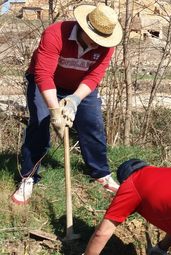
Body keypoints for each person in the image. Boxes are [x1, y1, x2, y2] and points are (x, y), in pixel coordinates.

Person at [12, 4, 122, 205]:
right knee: (40, 120)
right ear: (84, 28)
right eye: (94, 38)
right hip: (45, 81)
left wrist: (75, 100)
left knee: (93, 123)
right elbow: (43, 74)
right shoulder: (56, 34)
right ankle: (29, 176)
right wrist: (55, 112)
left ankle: (100, 172)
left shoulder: (107, 45)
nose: (98, 44)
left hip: (79, 87)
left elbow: (94, 76)